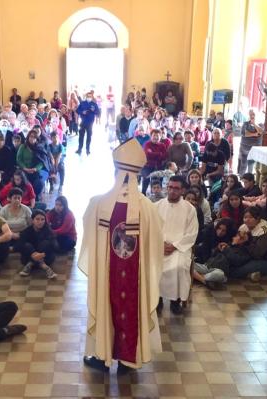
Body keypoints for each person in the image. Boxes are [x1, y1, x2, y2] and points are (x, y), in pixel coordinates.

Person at [78, 138, 163, 372]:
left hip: (108, 274)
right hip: (135, 277)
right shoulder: (148, 208)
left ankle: (102, 355)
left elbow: (88, 235)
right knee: (132, 304)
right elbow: (155, 244)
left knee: (105, 304)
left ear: (116, 171)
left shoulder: (99, 204)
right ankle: (129, 359)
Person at [155, 176, 198, 315]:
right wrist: (160, 244)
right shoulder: (157, 206)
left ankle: (175, 301)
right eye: (170, 187)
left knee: (178, 266)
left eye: (176, 188)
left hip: (180, 248)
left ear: (183, 190)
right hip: (159, 246)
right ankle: (157, 299)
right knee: (153, 265)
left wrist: (174, 246)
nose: (172, 191)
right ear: (167, 187)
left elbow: (192, 233)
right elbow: (151, 230)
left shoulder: (189, 209)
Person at [224, 207, 267, 282]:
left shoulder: (265, 232)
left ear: (258, 218)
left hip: (262, 261)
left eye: (251, 217)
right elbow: (236, 244)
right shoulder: (243, 227)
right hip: (245, 257)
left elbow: (257, 254)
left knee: (234, 271)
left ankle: (251, 273)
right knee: (228, 263)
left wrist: (246, 241)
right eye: (245, 217)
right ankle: (250, 274)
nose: (247, 220)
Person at [18, 210, 58, 279]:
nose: (40, 222)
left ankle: (31, 264)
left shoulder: (48, 230)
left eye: (42, 219)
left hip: (46, 257)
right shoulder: (27, 231)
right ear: (32, 220)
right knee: (27, 245)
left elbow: (55, 246)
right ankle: (44, 266)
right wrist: (33, 253)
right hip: (29, 257)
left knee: (46, 243)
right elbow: (20, 245)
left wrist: (42, 254)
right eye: (37, 219)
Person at [16, 129, 50, 197]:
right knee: (22, 181)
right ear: (28, 137)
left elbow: (42, 162)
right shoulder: (23, 147)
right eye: (31, 136)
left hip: (35, 171)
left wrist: (35, 169)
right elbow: (18, 159)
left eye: (34, 137)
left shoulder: (39, 148)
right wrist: (25, 168)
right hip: (24, 170)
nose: (32, 139)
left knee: (39, 183)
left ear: (37, 139)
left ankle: (35, 197)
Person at [141, 129, 169, 195]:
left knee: (158, 181)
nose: (156, 137)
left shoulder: (162, 145)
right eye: (154, 135)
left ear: (160, 137)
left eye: (157, 135)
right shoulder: (147, 144)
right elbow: (147, 154)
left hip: (158, 166)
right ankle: (143, 193)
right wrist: (159, 154)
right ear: (151, 136)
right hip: (147, 166)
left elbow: (165, 156)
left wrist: (153, 153)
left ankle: (157, 195)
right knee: (146, 178)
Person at [237, 109, 264, 175]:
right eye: (250, 114)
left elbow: (260, 132)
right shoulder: (245, 123)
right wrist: (254, 134)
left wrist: (254, 124)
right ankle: (241, 177)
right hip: (244, 148)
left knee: (251, 164)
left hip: (255, 148)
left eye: (253, 114)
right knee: (243, 164)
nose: (252, 116)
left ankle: (249, 179)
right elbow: (244, 133)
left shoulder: (261, 124)